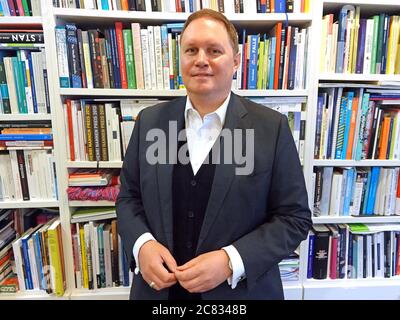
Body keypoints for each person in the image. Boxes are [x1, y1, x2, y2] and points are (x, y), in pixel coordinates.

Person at [116, 9, 312, 300]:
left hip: (240, 294)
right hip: (160, 295)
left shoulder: (271, 128)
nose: (201, 60)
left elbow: (294, 217)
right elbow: (128, 199)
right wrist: (142, 245)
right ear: (180, 59)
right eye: (191, 50)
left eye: (214, 50)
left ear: (235, 62)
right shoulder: (150, 122)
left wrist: (231, 261)